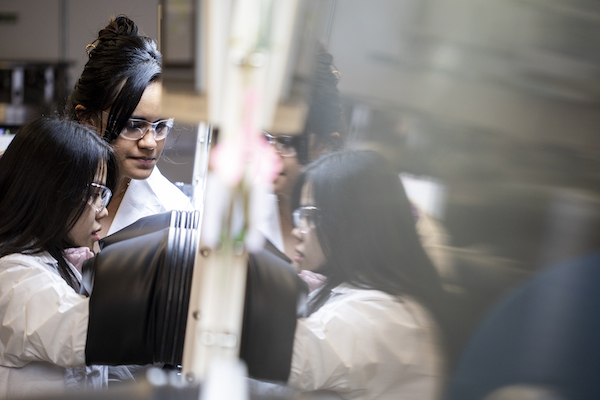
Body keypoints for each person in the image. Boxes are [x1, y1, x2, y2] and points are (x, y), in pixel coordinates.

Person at [287, 150, 447, 400]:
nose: (297, 231)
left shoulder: (382, 316)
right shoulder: (354, 292)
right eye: (299, 215)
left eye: (310, 216)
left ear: (351, 223)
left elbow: (288, 358)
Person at [0, 117, 118, 397]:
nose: (102, 210)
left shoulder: (63, 259)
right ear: (51, 193)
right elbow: (81, 335)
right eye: (95, 193)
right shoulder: (14, 276)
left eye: (104, 195)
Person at [65, 15, 191, 237]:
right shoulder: (39, 188)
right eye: (133, 125)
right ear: (86, 119)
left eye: (161, 126)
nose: (150, 143)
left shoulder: (173, 215)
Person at [262, 43, 347, 261]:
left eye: (287, 143)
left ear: (327, 145)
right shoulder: (241, 215)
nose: (269, 156)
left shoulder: (347, 232)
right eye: (265, 138)